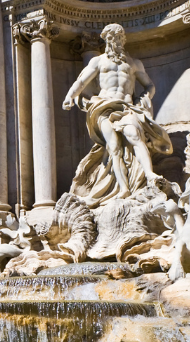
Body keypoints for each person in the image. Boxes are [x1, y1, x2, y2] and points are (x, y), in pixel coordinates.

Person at [62, 23, 172, 208]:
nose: (116, 41)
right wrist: (69, 96)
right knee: (114, 146)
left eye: (119, 37)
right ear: (106, 40)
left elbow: (149, 85)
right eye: (112, 38)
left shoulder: (134, 63)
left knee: (135, 135)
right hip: (104, 107)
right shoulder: (98, 61)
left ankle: (149, 174)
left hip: (127, 107)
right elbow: (81, 81)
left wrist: (145, 97)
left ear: (123, 39)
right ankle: (123, 189)